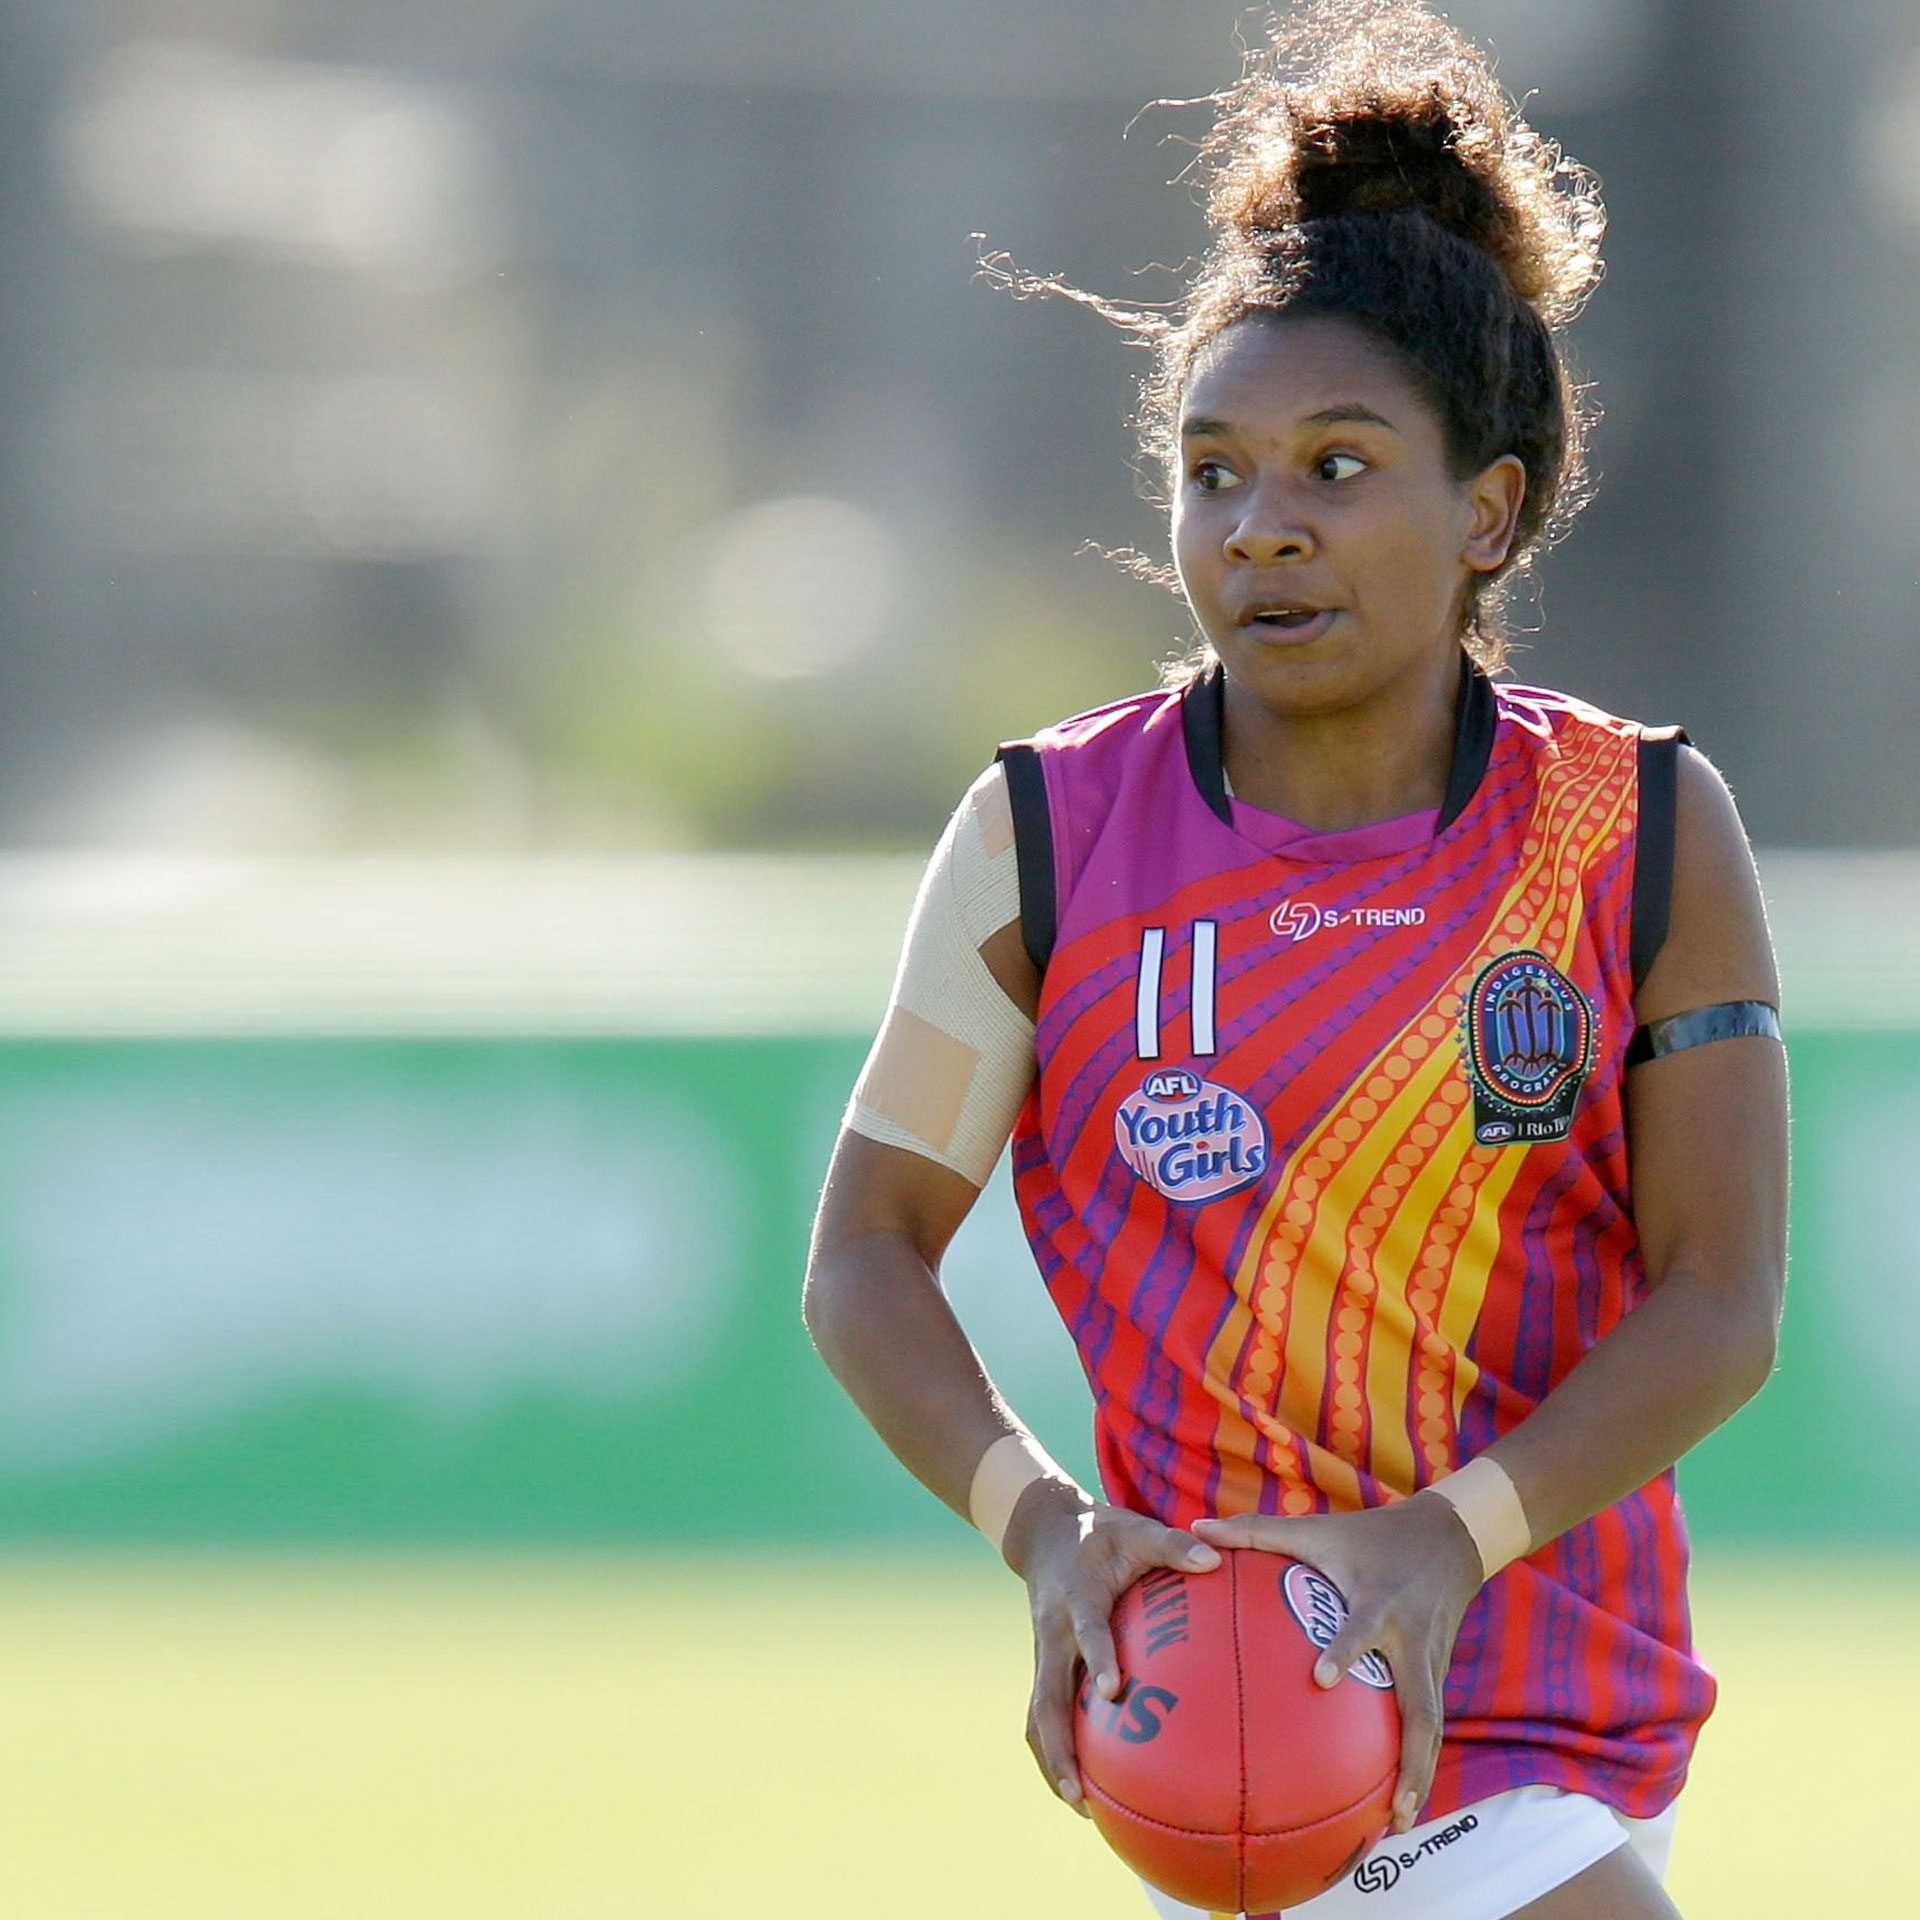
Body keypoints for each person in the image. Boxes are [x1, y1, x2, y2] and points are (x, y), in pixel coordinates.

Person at [803, 4, 1788, 1915]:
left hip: (1576, 1699)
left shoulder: (1643, 831)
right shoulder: (1044, 839)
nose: (1261, 529)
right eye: (1215, 473)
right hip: (1271, 1730)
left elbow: (1721, 1302)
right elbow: (864, 1257)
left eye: (1336, 468)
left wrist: (1442, 1539)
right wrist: (1047, 1531)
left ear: (1488, 509)